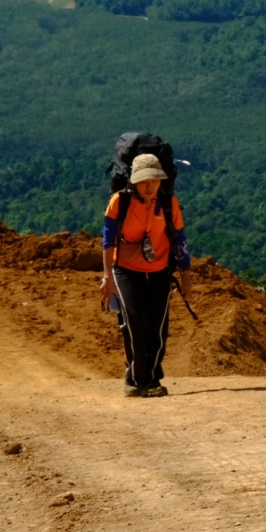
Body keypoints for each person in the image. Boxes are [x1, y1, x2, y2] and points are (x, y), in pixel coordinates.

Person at [98, 153, 191, 397]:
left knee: (158, 327)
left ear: (161, 180)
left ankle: (150, 377)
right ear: (134, 181)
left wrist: (186, 273)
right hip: (125, 270)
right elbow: (108, 241)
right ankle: (139, 380)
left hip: (159, 270)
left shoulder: (168, 204)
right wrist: (107, 278)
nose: (149, 186)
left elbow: (180, 238)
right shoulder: (120, 202)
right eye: (143, 181)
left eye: (154, 180)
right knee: (134, 321)